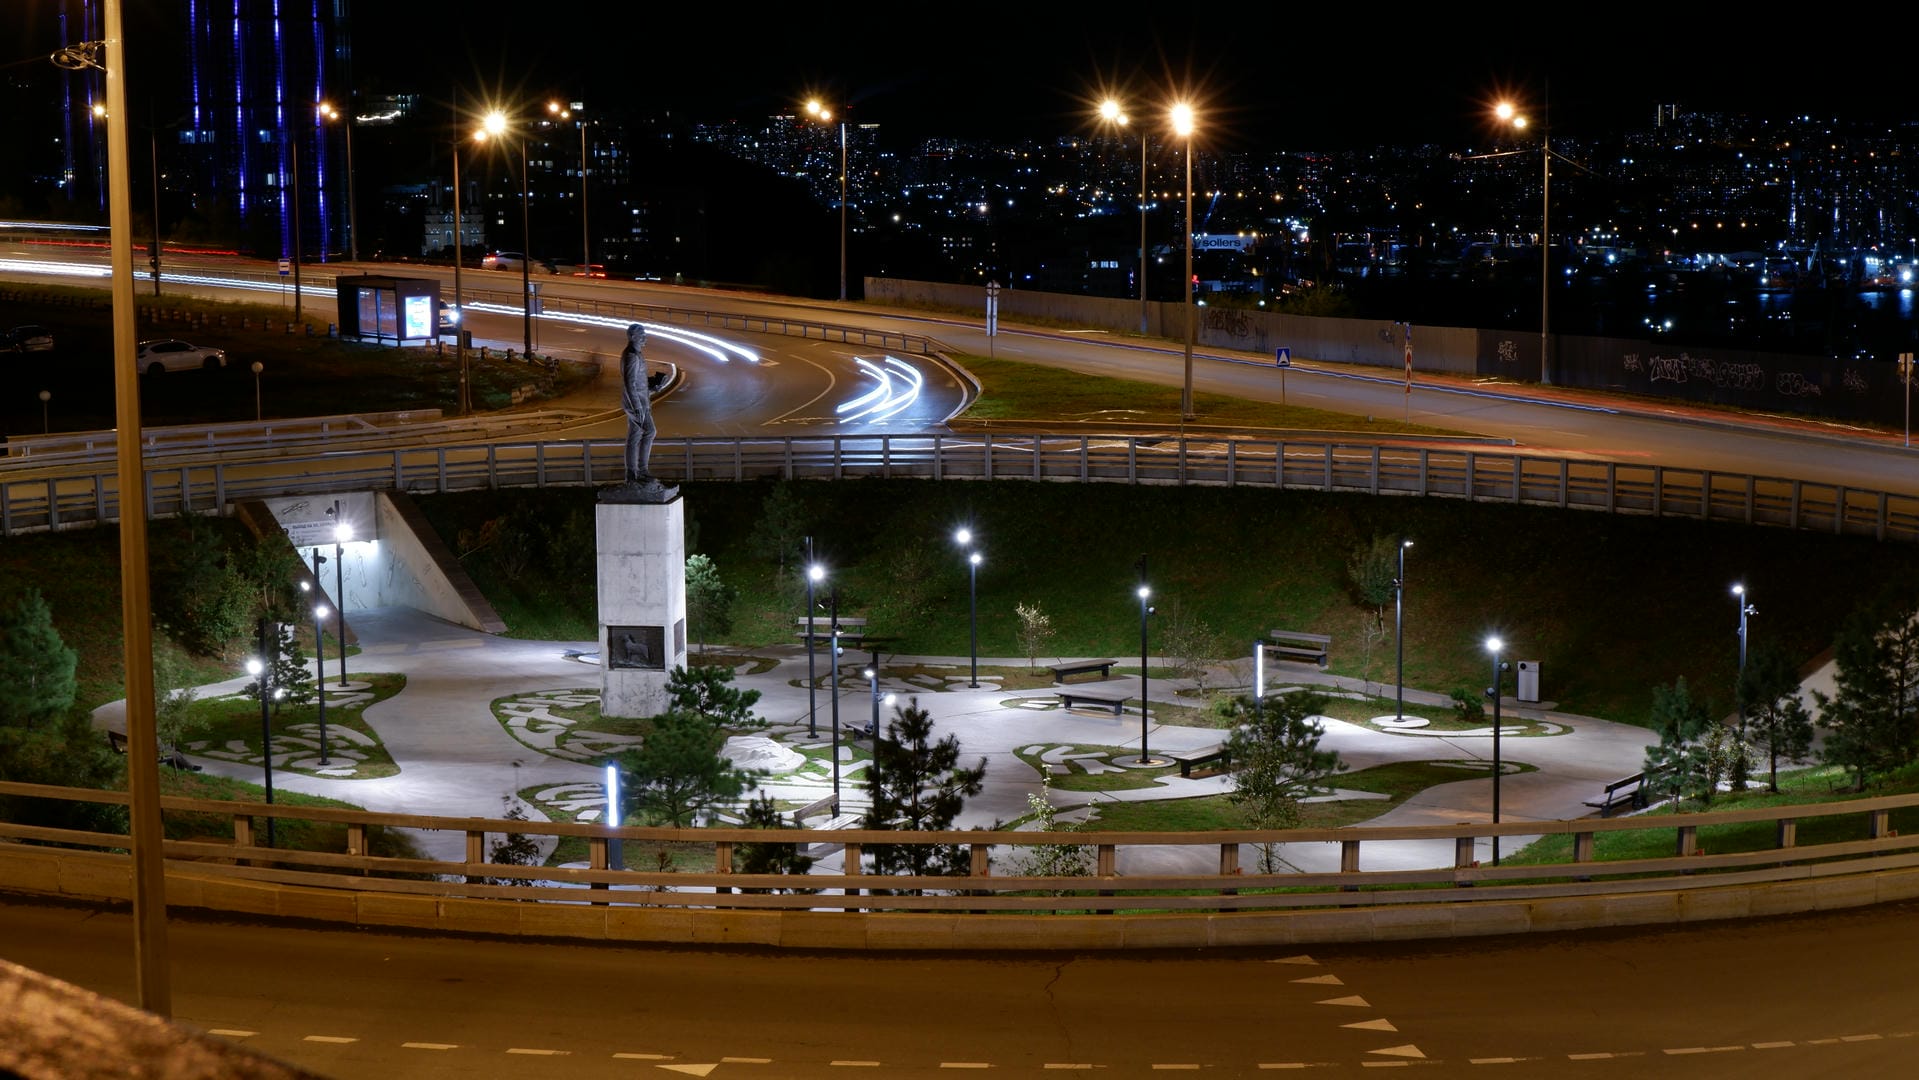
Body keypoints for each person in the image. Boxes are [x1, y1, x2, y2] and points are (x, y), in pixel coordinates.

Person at [621, 323, 655, 482]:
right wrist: (637, 406)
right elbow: (630, 382)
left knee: (637, 434)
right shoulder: (632, 356)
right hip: (637, 404)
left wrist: (653, 387)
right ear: (632, 336)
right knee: (648, 431)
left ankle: (635, 473)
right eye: (641, 335)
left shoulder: (636, 354)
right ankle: (638, 471)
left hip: (641, 401)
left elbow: (639, 382)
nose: (645, 337)